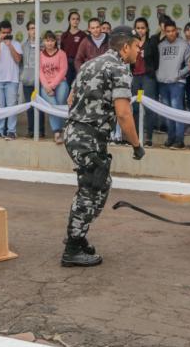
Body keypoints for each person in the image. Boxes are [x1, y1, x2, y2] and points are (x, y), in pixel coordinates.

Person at [61, 26, 145, 267]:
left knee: (101, 184)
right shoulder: (119, 68)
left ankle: (78, 235)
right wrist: (136, 145)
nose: (138, 53)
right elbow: (124, 113)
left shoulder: (90, 64)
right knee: (90, 188)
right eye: (137, 47)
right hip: (87, 136)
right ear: (125, 46)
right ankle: (72, 247)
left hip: (78, 133)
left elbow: (70, 98)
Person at [155, 18, 190, 149]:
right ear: (164, 32)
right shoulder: (160, 45)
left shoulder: (184, 44)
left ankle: (179, 139)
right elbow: (155, 63)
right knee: (167, 113)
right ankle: (171, 137)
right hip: (163, 83)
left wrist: (178, 75)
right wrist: (158, 74)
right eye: (168, 31)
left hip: (177, 83)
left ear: (176, 31)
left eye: (172, 31)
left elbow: (189, 65)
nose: (170, 33)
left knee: (177, 112)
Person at [0, 20, 23, 139]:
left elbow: (18, 59)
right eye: (3, 32)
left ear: (11, 32)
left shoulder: (16, 44)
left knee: (11, 106)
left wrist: (10, 45)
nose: (6, 35)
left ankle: (11, 131)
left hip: (12, 79)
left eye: (8, 32)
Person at [131, 17, 159, 147]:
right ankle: (136, 135)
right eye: (138, 28)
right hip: (136, 79)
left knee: (148, 107)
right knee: (136, 107)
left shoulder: (151, 42)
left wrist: (150, 71)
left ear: (147, 29)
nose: (140, 30)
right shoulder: (131, 43)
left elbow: (156, 61)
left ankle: (148, 137)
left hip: (147, 78)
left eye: (142, 28)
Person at [38, 30, 69, 144]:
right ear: (44, 42)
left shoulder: (62, 54)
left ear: (55, 41)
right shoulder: (40, 55)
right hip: (45, 85)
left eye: (51, 41)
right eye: (47, 41)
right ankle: (57, 132)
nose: (49, 43)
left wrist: (52, 86)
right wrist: (47, 87)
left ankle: (59, 131)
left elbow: (63, 71)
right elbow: (40, 71)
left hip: (60, 84)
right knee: (52, 106)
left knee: (59, 106)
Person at [19, 21, 45, 138]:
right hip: (27, 81)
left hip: (40, 81)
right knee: (30, 106)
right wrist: (22, 75)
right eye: (31, 28)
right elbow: (20, 63)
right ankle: (30, 130)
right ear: (28, 31)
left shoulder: (44, 45)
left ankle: (40, 131)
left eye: (35, 28)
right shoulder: (23, 46)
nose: (33, 31)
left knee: (40, 107)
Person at [60, 11, 87, 85]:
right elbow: (61, 52)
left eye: (77, 19)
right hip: (66, 64)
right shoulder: (64, 35)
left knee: (78, 85)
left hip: (78, 63)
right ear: (69, 21)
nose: (75, 21)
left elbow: (86, 51)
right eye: (73, 19)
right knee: (67, 84)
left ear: (79, 21)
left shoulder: (83, 35)